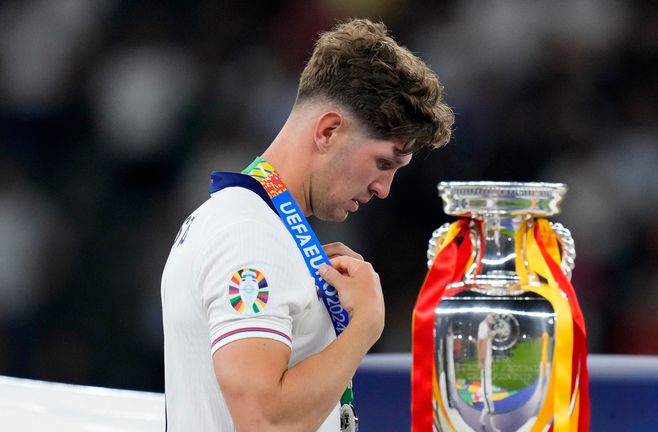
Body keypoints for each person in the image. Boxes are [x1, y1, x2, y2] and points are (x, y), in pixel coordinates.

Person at [161, 18, 454, 431]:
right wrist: (366, 327)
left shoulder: (254, 224)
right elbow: (264, 420)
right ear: (329, 130)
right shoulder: (247, 236)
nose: (384, 188)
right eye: (383, 162)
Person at [477, 314, 500, 432]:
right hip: (485, 364)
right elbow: (481, 342)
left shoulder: (486, 327)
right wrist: (481, 360)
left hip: (487, 364)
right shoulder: (483, 326)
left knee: (487, 404)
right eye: (491, 319)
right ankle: (494, 428)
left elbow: (484, 340)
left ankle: (482, 421)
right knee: (489, 400)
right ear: (487, 317)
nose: (492, 322)